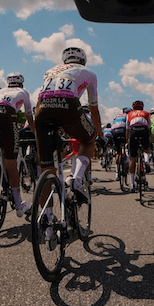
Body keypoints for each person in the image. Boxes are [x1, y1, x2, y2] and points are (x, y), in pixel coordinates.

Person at [34, 47, 103, 205]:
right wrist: (100, 134)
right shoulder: (89, 73)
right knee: (88, 141)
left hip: (41, 107)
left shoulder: (50, 70)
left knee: (47, 168)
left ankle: (46, 216)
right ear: (83, 60)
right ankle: (76, 180)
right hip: (68, 104)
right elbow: (93, 109)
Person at [0, 72, 34, 216]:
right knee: (11, 164)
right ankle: (19, 206)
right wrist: (36, 133)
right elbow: (29, 117)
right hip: (6, 115)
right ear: (21, 83)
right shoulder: (24, 92)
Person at [126, 100, 152, 191]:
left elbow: (127, 130)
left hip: (133, 131)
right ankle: (146, 161)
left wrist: (128, 141)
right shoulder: (146, 113)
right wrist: (149, 142)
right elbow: (149, 129)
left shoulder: (129, 114)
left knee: (133, 159)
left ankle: (132, 184)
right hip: (144, 130)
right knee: (146, 149)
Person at [111, 108, 129, 180]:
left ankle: (117, 173)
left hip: (115, 132)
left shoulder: (116, 116)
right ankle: (127, 161)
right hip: (123, 131)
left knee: (118, 152)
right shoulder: (128, 116)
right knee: (127, 147)